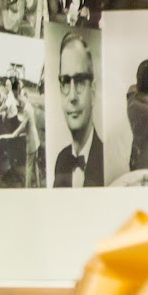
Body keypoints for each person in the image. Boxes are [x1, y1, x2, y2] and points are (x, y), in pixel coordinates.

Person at [53, 30, 104, 187]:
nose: (72, 96)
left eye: (80, 81)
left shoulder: (107, 161)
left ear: (93, 92)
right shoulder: (61, 160)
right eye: (66, 82)